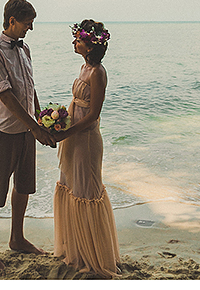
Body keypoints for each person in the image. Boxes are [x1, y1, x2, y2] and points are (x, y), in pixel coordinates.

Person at [0, 0, 57, 276]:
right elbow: (6, 95)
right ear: (12, 20)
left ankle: (17, 238)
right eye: (27, 23)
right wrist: (34, 128)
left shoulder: (25, 50)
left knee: (23, 186)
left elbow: (30, 88)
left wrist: (41, 118)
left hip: (27, 130)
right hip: (4, 130)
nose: (30, 28)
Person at [51, 19, 120, 278]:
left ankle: (95, 256)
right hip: (72, 136)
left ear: (90, 46)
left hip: (86, 140)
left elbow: (93, 115)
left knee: (86, 191)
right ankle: (77, 250)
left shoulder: (97, 73)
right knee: (70, 186)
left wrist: (67, 132)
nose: (74, 42)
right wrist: (59, 122)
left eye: (78, 40)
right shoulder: (83, 68)